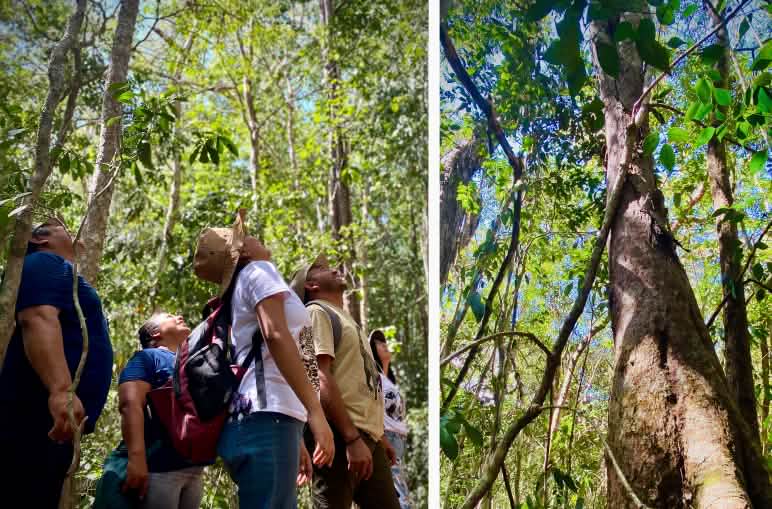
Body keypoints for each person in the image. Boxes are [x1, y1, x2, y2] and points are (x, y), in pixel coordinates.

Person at [192, 214, 334, 508]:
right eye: (249, 237)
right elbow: (276, 335)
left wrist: (295, 433)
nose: (256, 238)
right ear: (243, 252)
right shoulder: (258, 271)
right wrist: (315, 413)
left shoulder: (244, 285)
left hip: (263, 421)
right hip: (267, 419)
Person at [0, 218, 113, 508]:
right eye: (63, 226)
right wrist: (61, 390)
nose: (73, 230)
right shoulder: (43, 262)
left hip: (51, 426)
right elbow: (37, 317)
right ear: (40, 239)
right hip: (33, 418)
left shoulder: (60, 271)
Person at [290, 255, 400, 509]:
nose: (332, 268)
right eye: (320, 268)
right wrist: (351, 439)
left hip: (367, 438)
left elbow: (355, 381)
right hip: (340, 438)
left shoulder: (345, 320)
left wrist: (379, 436)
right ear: (311, 285)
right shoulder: (316, 312)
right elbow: (319, 376)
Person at [116, 311, 206, 508]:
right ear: (156, 333)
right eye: (169, 316)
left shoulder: (189, 361)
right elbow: (130, 404)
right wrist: (136, 459)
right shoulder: (147, 358)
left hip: (194, 471)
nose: (178, 316)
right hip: (160, 469)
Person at [369, 329, 412, 509]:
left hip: (398, 440)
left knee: (399, 492)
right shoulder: (374, 376)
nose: (384, 344)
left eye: (384, 341)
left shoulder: (390, 381)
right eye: (378, 342)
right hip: (385, 438)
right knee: (401, 497)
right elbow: (370, 407)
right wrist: (382, 438)